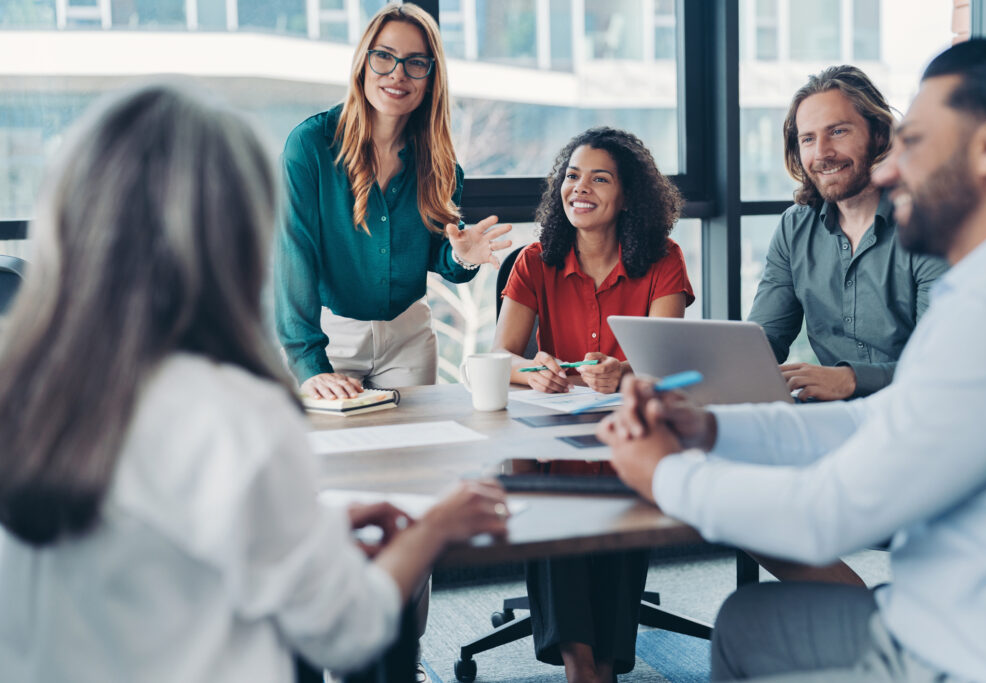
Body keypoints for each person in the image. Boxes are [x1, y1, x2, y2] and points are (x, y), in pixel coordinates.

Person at [0, 82, 509, 683]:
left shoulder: (26, 393)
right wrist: (435, 529)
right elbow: (344, 629)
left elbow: (157, 550)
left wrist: (306, 528)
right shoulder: (232, 415)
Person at [601, 39, 986, 683]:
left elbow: (828, 513)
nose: (889, 171)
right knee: (749, 620)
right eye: (806, 137)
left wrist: (663, 475)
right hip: (944, 597)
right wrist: (709, 429)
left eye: (914, 144)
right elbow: (871, 419)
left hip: (972, 646)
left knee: (751, 618)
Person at [493, 127, 694, 683]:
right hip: (553, 437)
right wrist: (536, 370)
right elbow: (502, 355)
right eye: (572, 176)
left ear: (628, 196)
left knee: (629, 477)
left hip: (628, 431)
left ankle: (602, 661)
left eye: (598, 179)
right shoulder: (535, 261)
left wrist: (626, 370)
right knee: (554, 487)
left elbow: (667, 357)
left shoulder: (663, 260)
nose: (579, 188)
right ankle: (582, 665)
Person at [275, 2, 511, 400]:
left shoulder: (440, 164)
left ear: (431, 76)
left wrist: (463, 256)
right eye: (384, 57)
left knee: (413, 456)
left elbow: (439, 255)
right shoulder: (310, 146)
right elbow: (293, 257)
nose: (397, 74)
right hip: (331, 340)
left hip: (409, 340)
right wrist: (309, 364)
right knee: (338, 457)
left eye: (416, 62)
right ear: (363, 63)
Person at [748, 65, 947, 402]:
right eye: (808, 139)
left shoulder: (927, 223)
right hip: (832, 416)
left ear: (879, 134)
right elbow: (763, 343)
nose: (822, 152)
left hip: (918, 412)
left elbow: (943, 361)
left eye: (838, 132)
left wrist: (851, 380)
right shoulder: (794, 228)